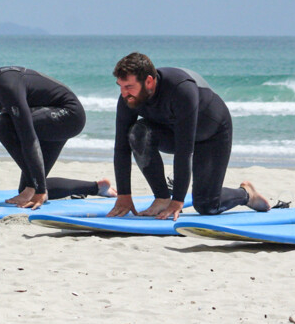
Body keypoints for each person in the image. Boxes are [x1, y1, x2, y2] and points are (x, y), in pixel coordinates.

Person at [0, 49, 115, 210]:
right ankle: (98, 187)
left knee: (4, 124)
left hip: (69, 115)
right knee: (27, 186)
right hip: (41, 122)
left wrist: (39, 192)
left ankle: (39, 189)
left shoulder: (5, 84)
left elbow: (27, 136)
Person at [107, 53, 269, 220]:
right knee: (138, 133)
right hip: (172, 132)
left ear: (149, 81)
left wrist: (178, 201)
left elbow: (184, 151)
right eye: (120, 86)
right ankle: (162, 198)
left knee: (206, 205)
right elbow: (121, 147)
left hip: (211, 134)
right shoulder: (128, 99)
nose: (123, 93)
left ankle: (246, 194)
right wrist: (124, 195)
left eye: (128, 86)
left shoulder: (181, 89)